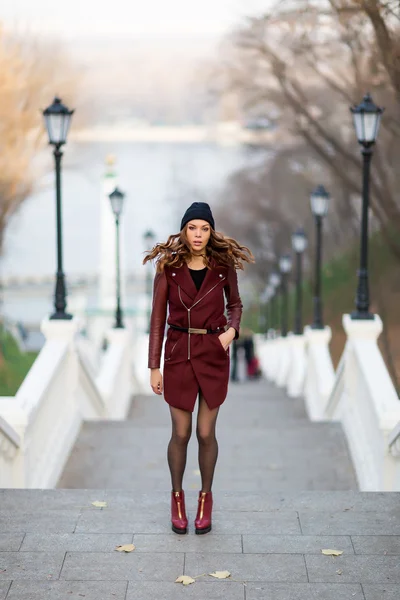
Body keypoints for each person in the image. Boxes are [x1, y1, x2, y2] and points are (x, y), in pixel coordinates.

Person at [143, 202, 254, 535]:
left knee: (206, 433)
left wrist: (232, 331)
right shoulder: (168, 268)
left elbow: (234, 304)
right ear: (183, 230)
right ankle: (177, 499)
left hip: (213, 352)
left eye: (204, 228)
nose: (198, 235)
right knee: (181, 432)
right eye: (192, 228)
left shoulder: (223, 267)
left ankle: (205, 498)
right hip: (178, 353)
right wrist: (153, 367)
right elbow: (157, 319)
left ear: (211, 232)